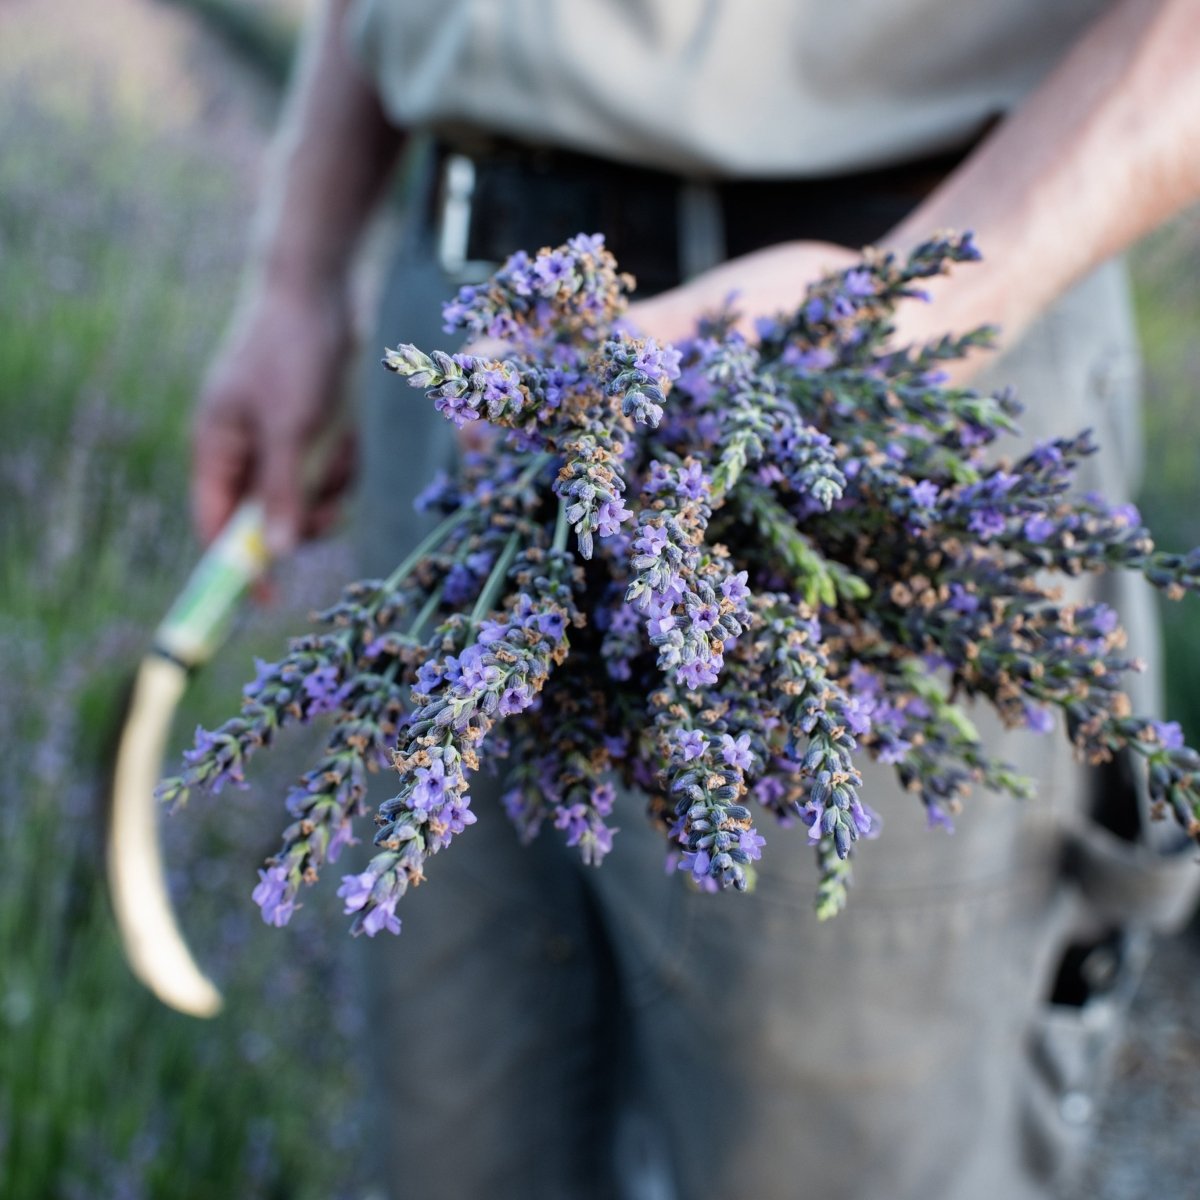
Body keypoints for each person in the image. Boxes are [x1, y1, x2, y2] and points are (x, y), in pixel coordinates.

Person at [192, 2, 1200, 1196]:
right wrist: (297, 267)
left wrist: (907, 309)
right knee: (455, 1141)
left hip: (867, 335)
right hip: (470, 338)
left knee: (840, 1154)